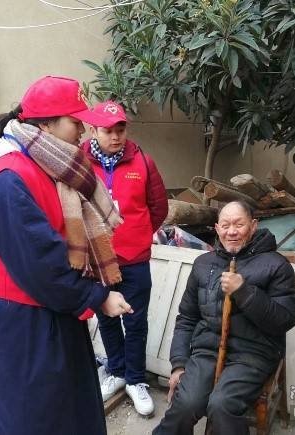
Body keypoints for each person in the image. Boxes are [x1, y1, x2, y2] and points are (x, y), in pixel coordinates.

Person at [0, 76, 133, 435]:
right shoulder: (11, 179)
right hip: (26, 327)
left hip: (55, 313)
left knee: (69, 414)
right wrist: (97, 296)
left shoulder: (51, 168)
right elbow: (42, 267)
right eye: (75, 121)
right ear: (46, 125)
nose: (82, 130)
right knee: (37, 419)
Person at [153, 201, 295, 435]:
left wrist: (244, 292)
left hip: (253, 353)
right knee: (186, 404)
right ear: (217, 228)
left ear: (253, 226)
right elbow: (187, 318)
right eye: (225, 225)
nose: (232, 231)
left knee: (222, 406)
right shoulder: (203, 264)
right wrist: (178, 364)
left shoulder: (276, 266)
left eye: (239, 225)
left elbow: (284, 320)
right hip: (207, 350)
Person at [82, 100, 168, 416]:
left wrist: (138, 235)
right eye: (108, 131)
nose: (116, 136)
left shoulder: (143, 161)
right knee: (105, 316)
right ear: (93, 130)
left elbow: (158, 208)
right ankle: (117, 371)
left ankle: (135, 379)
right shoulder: (79, 161)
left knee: (135, 320)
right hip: (97, 259)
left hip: (134, 259)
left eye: (120, 129)